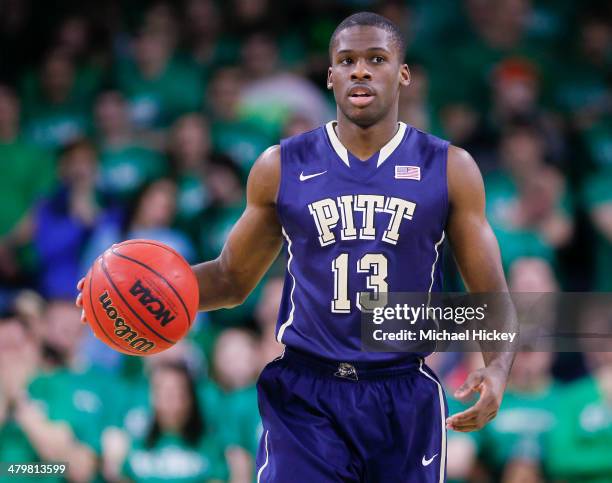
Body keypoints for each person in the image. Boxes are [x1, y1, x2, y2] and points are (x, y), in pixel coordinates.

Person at [77, 11, 516, 482]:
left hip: (402, 389)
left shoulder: (450, 167)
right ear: (329, 77)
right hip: (307, 393)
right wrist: (136, 292)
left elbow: (491, 296)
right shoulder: (281, 165)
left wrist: (497, 367)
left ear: (403, 74)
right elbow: (230, 278)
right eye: (346, 60)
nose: (360, 70)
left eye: (376, 59)